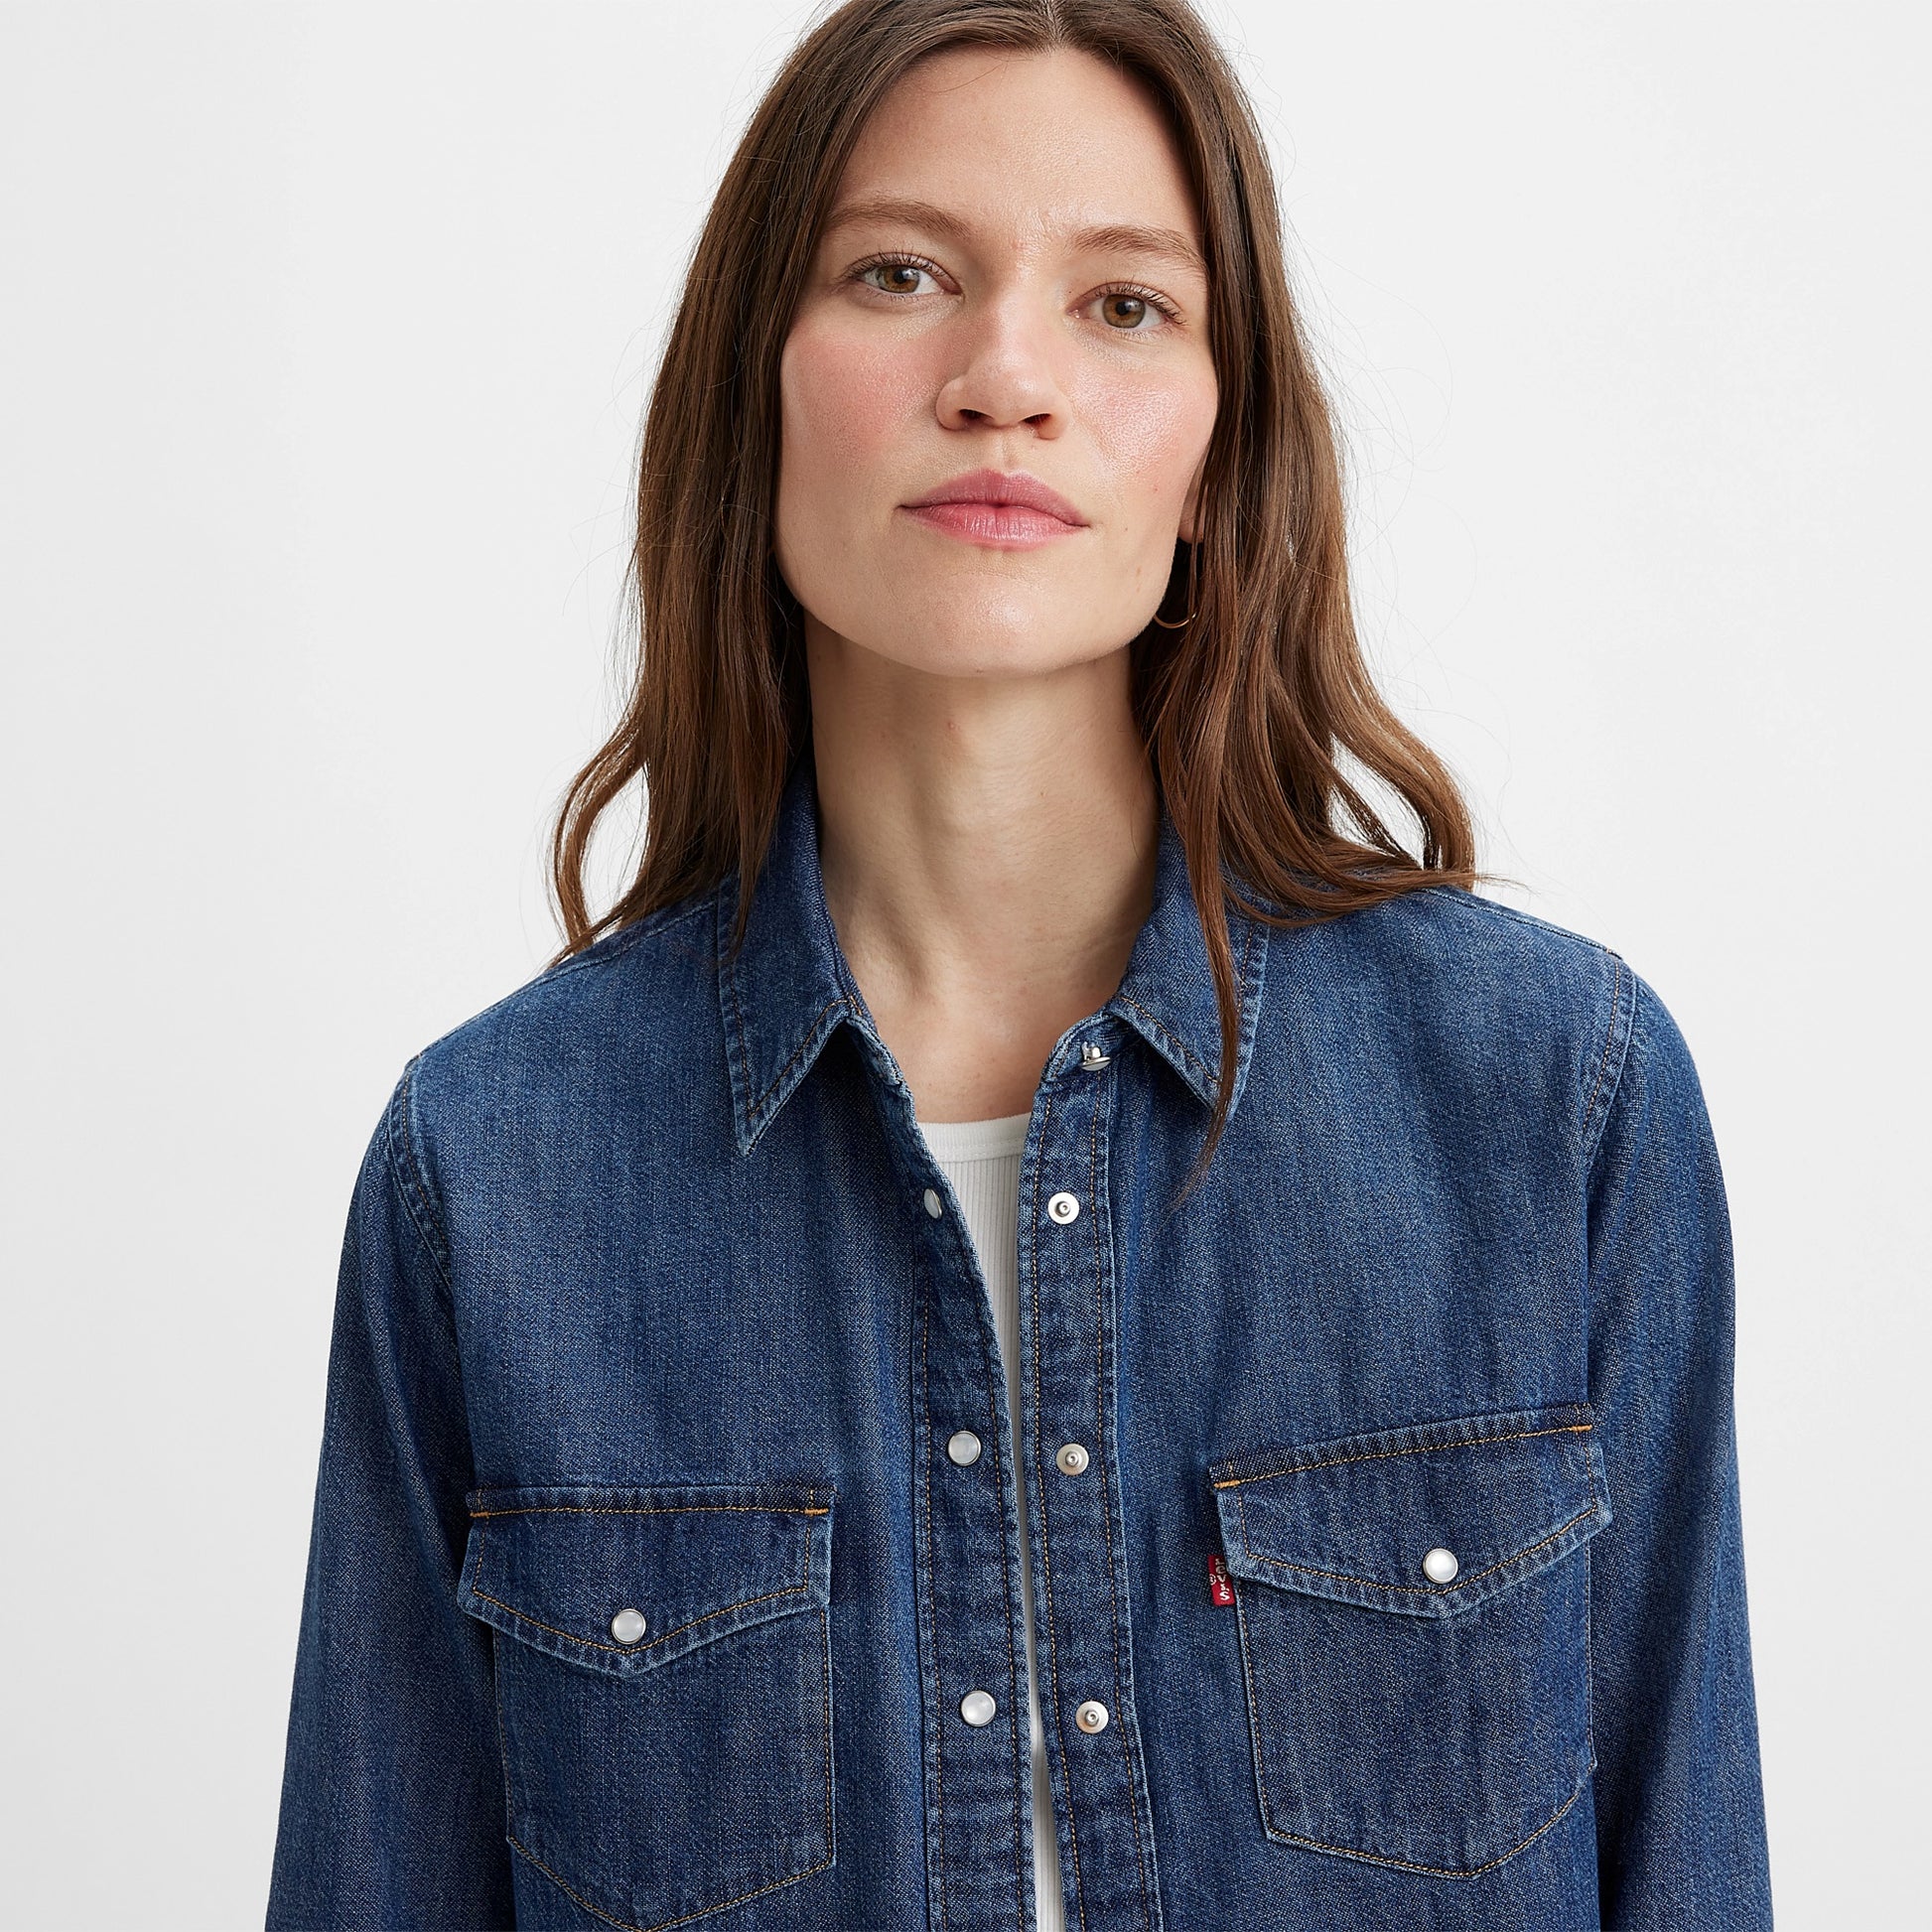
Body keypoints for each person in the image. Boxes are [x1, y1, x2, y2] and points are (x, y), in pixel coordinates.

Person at [266, 0, 1772, 1925]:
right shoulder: (489, 1171)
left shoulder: (1557, 1102)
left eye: (1122, 304)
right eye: (900, 274)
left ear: (1218, 450)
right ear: (756, 388)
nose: (1004, 379)